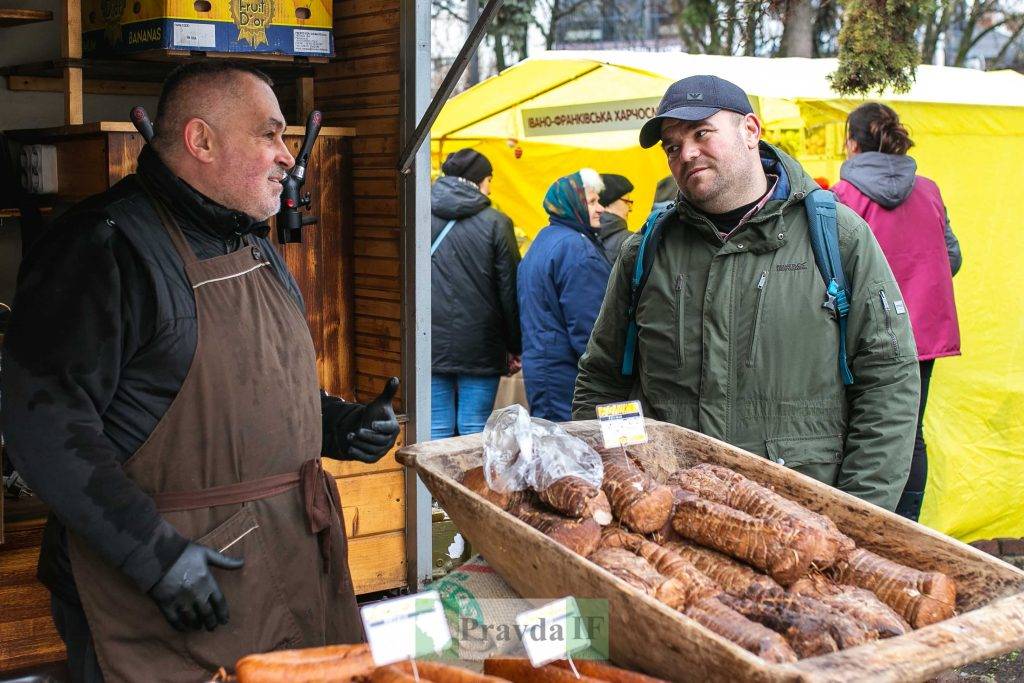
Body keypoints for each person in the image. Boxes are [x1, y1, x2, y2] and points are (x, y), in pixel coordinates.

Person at [0, 62, 400, 682]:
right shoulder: (103, 249)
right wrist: (151, 556)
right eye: (269, 135)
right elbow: (43, 427)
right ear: (200, 140)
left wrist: (340, 426)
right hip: (169, 593)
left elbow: (240, 394)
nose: (287, 157)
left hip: (286, 570)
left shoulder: (248, 236)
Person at [574, 75, 920, 512]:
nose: (687, 153)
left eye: (701, 133)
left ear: (750, 130)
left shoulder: (837, 236)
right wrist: (621, 480)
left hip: (804, 522)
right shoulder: (646, 251)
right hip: (675, 520)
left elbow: (887, 379)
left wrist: (858, 516)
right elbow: (605, 380)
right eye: (673, 147)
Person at [832, 102, 962, 522]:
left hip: (861, 333)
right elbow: (953, 258)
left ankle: (862, 527)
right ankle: (908, 524)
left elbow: (828, 267)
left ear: (852, 144)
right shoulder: (929, 190)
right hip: (922, 333)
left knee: (858, 428)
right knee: (910, 431)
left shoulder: (842, 197)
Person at [430, 149, 522, 438]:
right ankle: (468, 484)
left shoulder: (419, 214)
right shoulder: (496, 222)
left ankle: (428, 485)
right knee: (474, 430)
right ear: (480, 181)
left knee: (435, 430)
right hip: (481, 343)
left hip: (428, 340)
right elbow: (510, 290)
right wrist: (515, 344)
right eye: (490, 179)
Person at [518, 168, 610, 422]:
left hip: (543, 367)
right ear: (573, 205)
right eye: (592, 202)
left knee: (553, 448)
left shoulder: (544, 240)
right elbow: (589, 326)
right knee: (571, 452)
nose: (600, 208)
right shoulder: (576, 248)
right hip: (566, 375)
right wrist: (606, 377)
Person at [596, 173, 635, 263]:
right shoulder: (630, 241)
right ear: (608, 203)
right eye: (627, 201)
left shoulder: (582, 236)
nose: (630, 209)